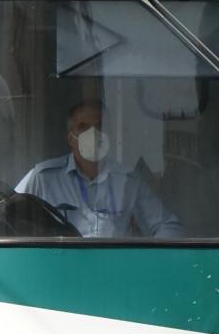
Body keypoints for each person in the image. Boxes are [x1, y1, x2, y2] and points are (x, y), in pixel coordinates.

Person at [14, 100, 183, 238]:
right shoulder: (43, 178)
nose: (93, 133)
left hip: (112, 266)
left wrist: (146, 261)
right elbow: (8, 216)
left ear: (109, 134)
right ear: (71, 138)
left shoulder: (128, 181)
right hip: (62, 266)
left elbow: (168, 226)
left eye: (99, 126)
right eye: (83, 126)